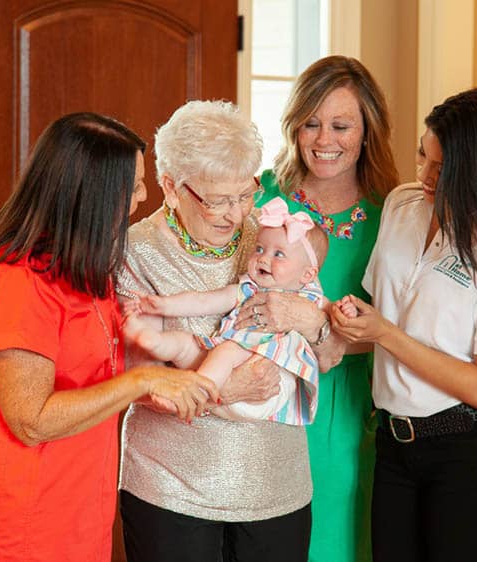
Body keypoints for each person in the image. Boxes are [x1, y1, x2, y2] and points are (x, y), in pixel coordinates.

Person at [0, 112, 218, 562]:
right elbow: (30, 420)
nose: (142, 196)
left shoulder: (79, 265)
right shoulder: (19, 281)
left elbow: (95, 372)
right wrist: (142, 383)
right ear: (91, 195)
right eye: (130, 187)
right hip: (21, 523)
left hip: (78, 514)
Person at [330, 88, 477, 561]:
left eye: (442, 168)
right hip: (394, 448)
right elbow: (385, 316)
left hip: (469, 455)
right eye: (422, 155)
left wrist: (384, 334)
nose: (424, 176)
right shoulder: (401, 205)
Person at [117, 100, 323, 562]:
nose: (235, 214)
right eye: (217, 200)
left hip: (278, 485)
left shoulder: (275, 240)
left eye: (245, 193)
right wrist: (224, 390)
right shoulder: (136, 250)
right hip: (172, 488)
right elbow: (138, 380)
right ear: (171, 186)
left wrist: (311, 321)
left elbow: (324, 350)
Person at [234, 55, 400, 562]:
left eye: (341, 125)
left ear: (367, 130)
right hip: (255, 400)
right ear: (294, 126)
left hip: (344, 413)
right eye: (311, 122)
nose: (324, 138)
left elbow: (401, 328)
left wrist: (316, 325)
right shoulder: (260, 194)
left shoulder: (391, 215)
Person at [126, 196, 329, 425]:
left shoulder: (310, 298)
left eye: (278, 254)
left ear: (307, 275)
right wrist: (163, 305)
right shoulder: (248, 288)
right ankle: (152, 342)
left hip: (271, 385)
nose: (263, 258)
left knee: (227, 351)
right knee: (187, 345)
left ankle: (194, 396)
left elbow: (332, 323)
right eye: (260, 249)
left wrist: (346, 311)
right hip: (231, 377)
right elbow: (203, 302)